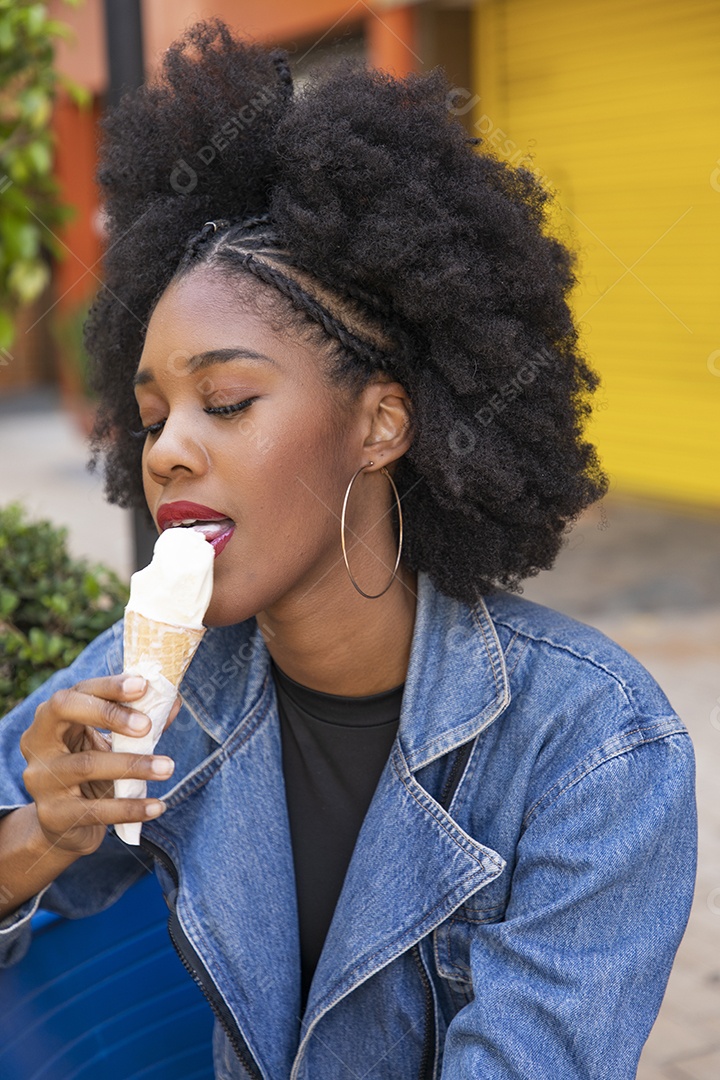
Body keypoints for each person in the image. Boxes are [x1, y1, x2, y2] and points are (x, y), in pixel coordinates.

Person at [0, 20, 696, 1080]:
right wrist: (40, 840)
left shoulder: (594, 749)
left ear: (381, 424)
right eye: (151, 417)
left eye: (226, 401)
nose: (167, 451)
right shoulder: (162, 686)